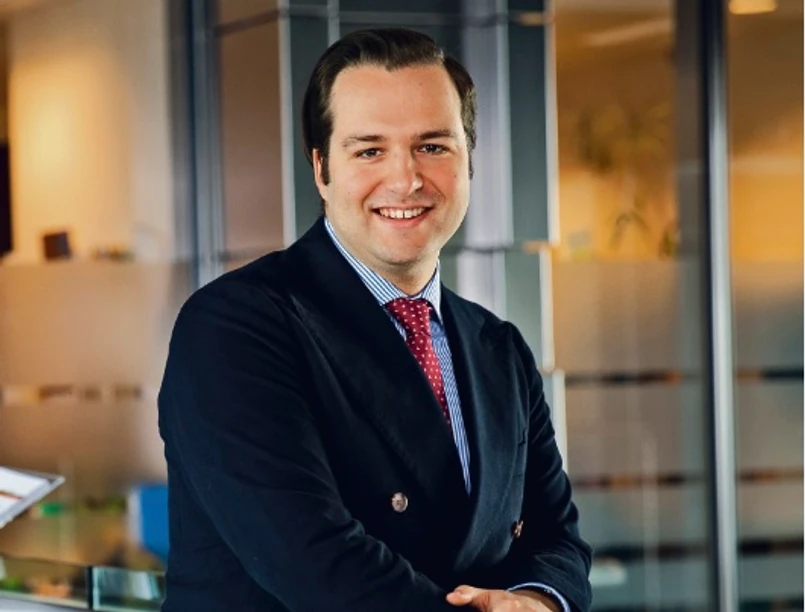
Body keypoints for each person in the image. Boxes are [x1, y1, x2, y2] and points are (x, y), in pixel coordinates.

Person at [158, 27, 592, 612]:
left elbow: (557, 538)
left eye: (432, 146)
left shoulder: (499, 347)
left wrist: (538, 602)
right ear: (321, 169)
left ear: (468, 160)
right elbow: (315, 562)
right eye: (369, 151)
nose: (406, 179)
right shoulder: (234, 327)